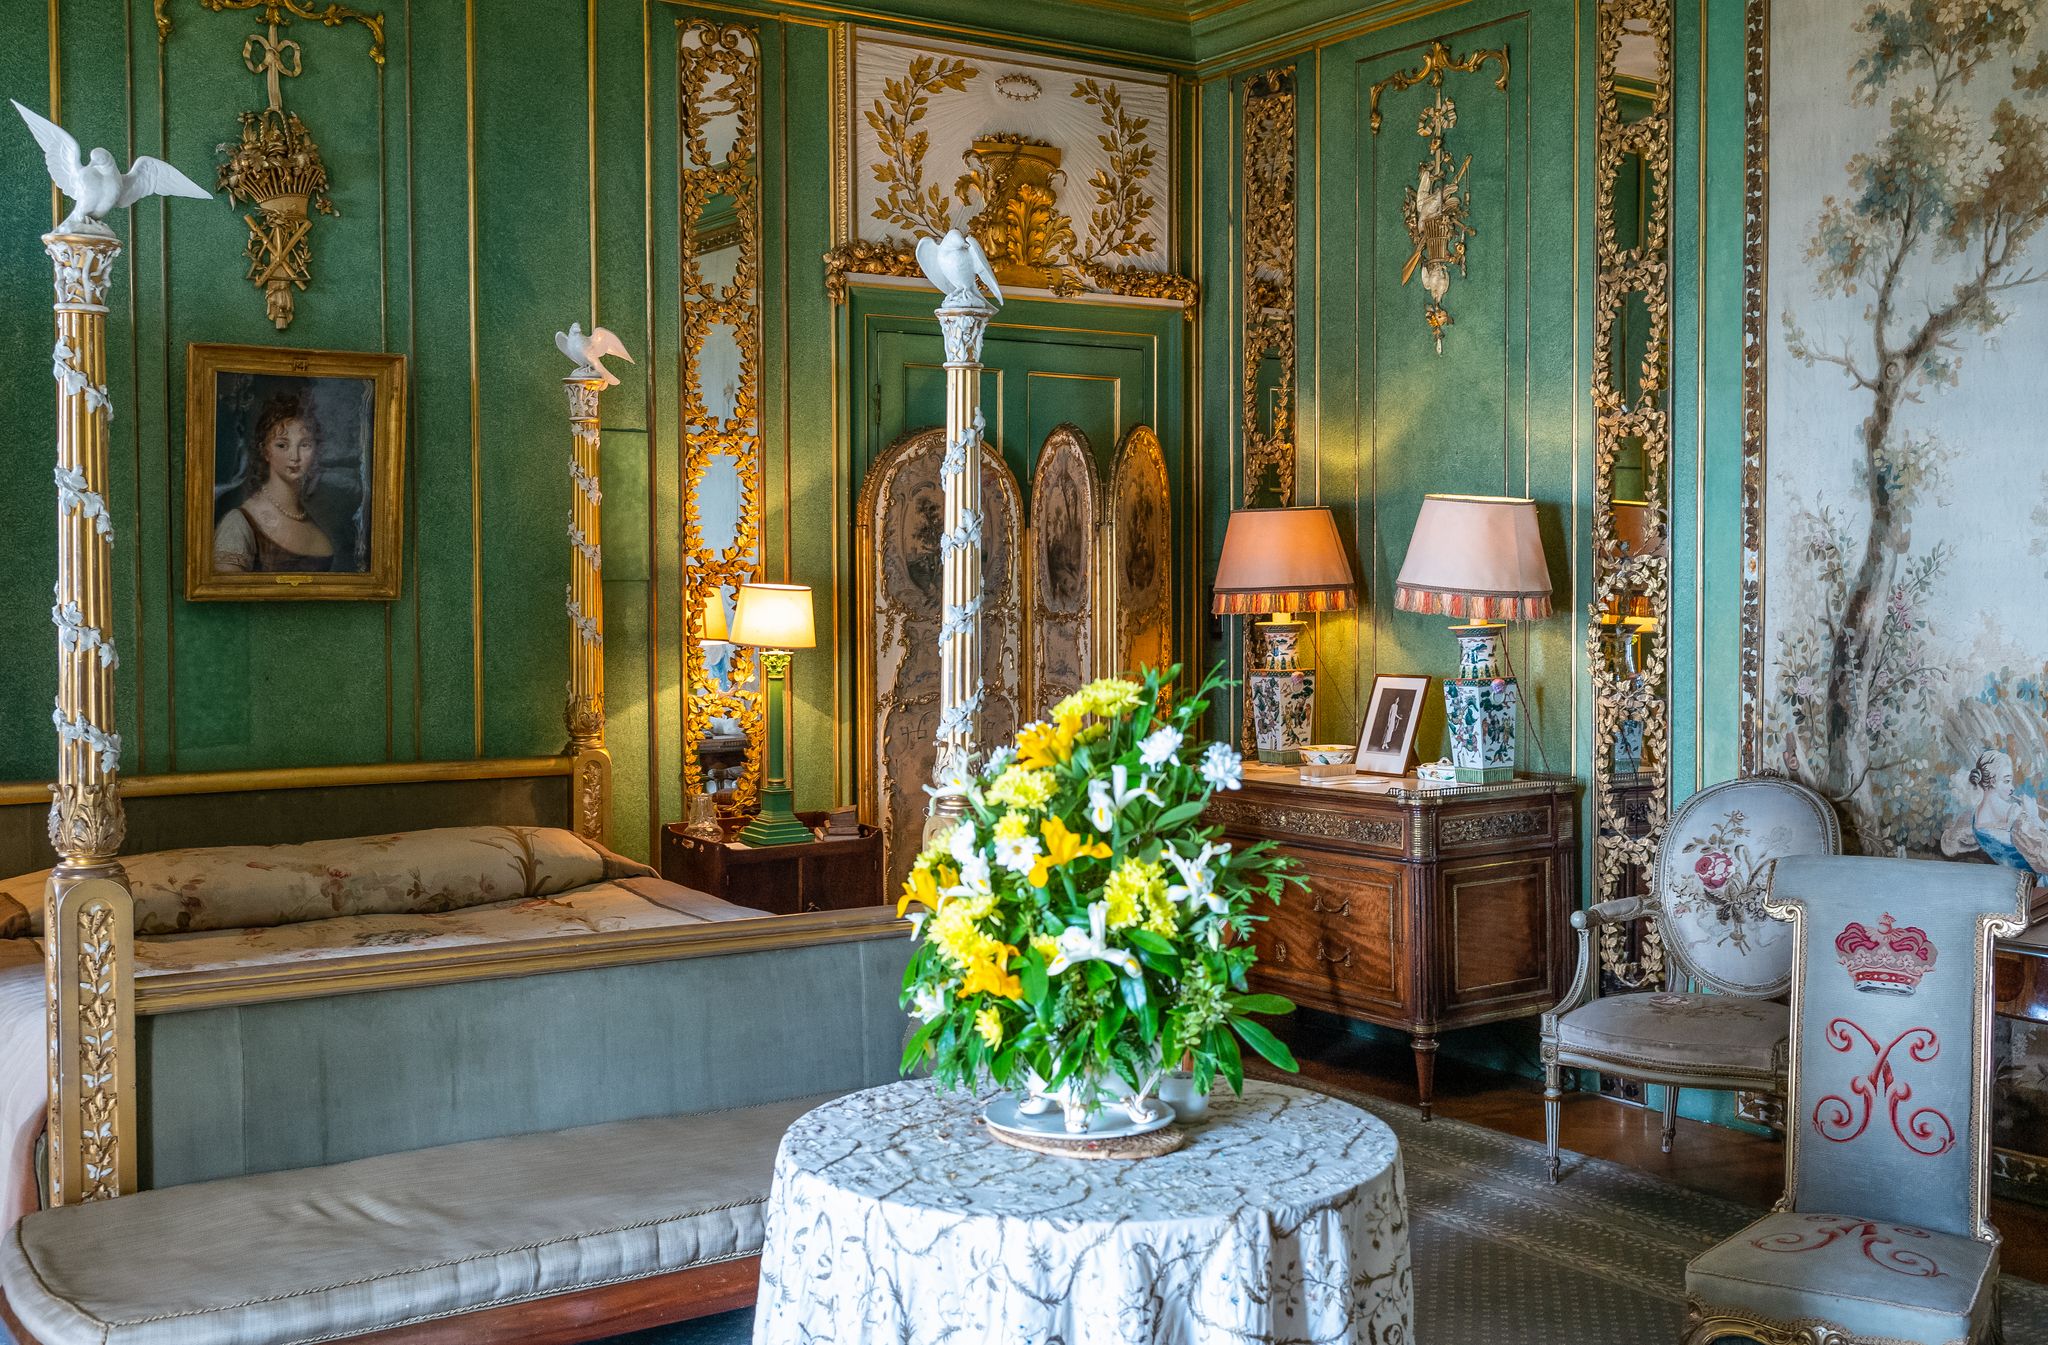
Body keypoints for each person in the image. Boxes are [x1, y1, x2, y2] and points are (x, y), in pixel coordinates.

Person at [213, 392, 336, 573]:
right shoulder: (239, 523)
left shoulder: (314, 525)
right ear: (265, 451)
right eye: (282, 445)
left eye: (305, 445)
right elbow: (229, 597)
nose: (295, 457)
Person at [1940, 748, 2048, 877]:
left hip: (2012, 881)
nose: (2012, 788)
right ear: (1992, 781)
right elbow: (2044, 861)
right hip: (2037, 886)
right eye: (2007, 781)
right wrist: (2034, 817)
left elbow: (1948, 847)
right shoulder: (2016, 815)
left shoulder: (1972, 818)